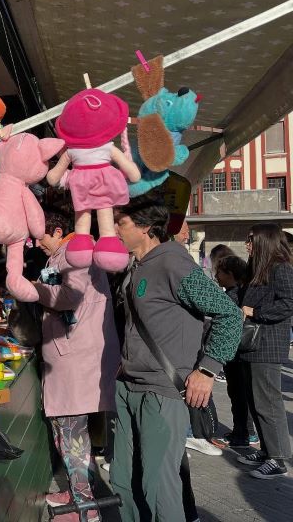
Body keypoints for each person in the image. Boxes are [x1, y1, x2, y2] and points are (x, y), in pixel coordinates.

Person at [109, 197, 242, 521]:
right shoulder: (134, 265)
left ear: (144, 228)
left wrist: (207, 370)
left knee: (158, 487)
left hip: (162, 392)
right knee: (122, 482)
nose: (114, 229)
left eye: (121, 223)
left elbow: (229, 314)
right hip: (128, 386)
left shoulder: (173, 263)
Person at [33, 210, 120, 521]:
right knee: (69, 431)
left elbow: (68, 296)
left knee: (72, 434)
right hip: (71, 354)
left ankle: (86, 508)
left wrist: (30, 288)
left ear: (57, 230)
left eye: (38, 234)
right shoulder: (65, 253)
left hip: (75, 357)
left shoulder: (73, 253)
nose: (35, 242)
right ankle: (77, 493)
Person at [233, 224, 293, 479]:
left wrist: (256, 313)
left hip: (267, 344)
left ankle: (278, 459)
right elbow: (239, 295)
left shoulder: (281, 268)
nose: (247, 244)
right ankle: (268, 451)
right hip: (250, 344)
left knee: (268, 403)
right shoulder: (257, 267)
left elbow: (289, 303)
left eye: (251, 239)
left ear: (264, 241)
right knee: (256, 402)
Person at [210, 255, 260, 449]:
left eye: (219, 272)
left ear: (230, 275)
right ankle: (245, 431)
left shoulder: (233, 295)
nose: (216, 276)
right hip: (239, 352)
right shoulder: (239, 292)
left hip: (236, 353)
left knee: (238, 394)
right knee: (240, 394)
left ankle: (243, 434)